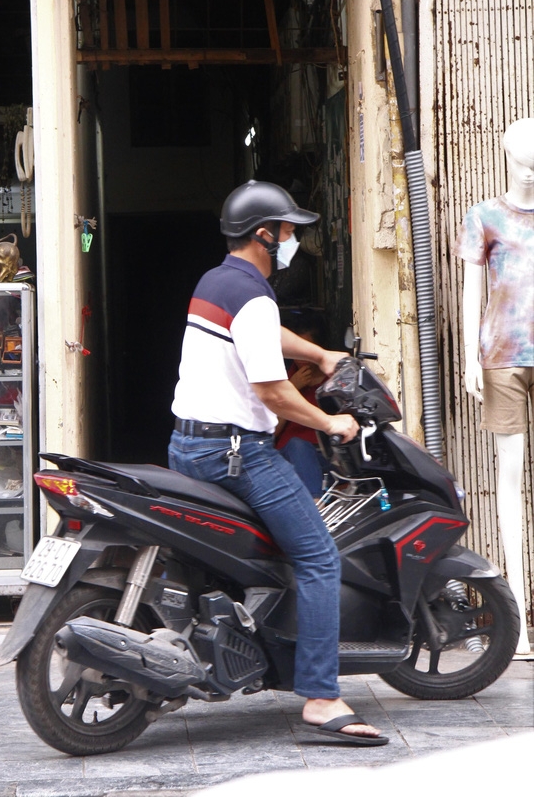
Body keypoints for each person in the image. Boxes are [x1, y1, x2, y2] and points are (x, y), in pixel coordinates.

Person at [169, 179, 389, 745]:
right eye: (288, 231)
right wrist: (332, 421)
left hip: (188, 444)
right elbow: (272, 391)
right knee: (318, 557)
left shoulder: (218, 283)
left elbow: (264, 337)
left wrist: (318, 353)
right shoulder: (254, 295)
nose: (293, 241)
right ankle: (320, 695)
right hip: (235, 453)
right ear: (264, 234)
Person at [454, 117, 534, 657]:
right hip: (502, 358)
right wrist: (467, 357)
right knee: (508, 484)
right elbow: (469, 291)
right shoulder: (483, 215)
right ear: (507, 154)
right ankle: (520, 624)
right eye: (523, 152)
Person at [274, 310, 331, 498]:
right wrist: (292, 389)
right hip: (288, 454)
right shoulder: (283, 379)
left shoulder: (333, 382)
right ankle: (316, 504)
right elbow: (271, 432)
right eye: (297, 352)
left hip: (324, 456)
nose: (301, 359)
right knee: (298, 445)